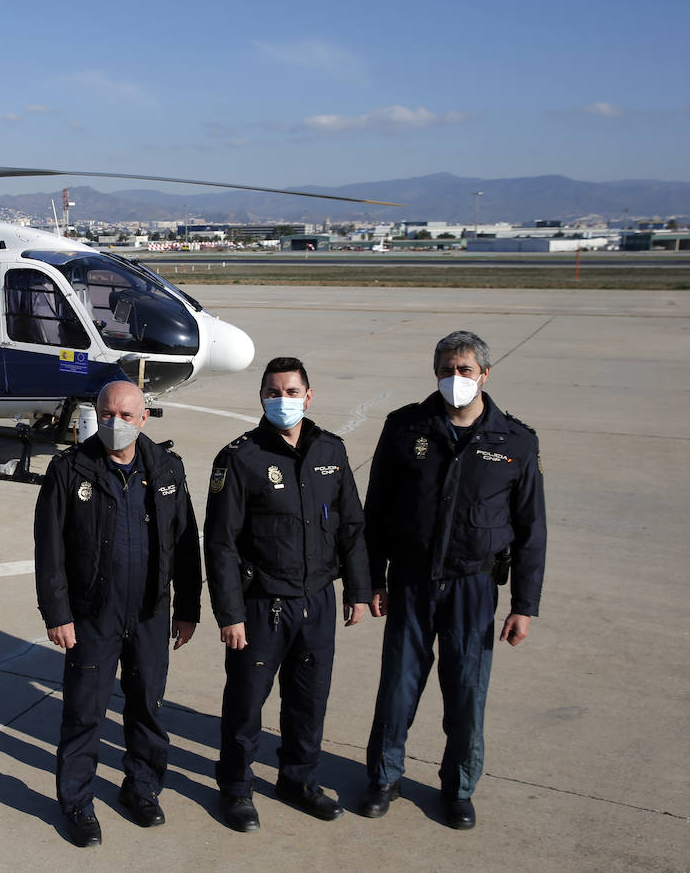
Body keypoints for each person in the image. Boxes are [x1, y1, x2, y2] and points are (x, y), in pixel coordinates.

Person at [360, 330, 546, 830]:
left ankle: (458, 788)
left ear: (485, 374)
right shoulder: (404, 427)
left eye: (464, 370)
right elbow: (376, 511)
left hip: (474, 586)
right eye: (445, 369)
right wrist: (371, 579)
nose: (454, 379)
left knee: (466, 691)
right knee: (398, 687)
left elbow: (532, 531)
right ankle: (383, 778)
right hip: (412, 581)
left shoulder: (516, 441)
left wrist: (524, 605)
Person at [203, 357, 371, 832]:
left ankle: (297, 780)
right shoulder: (239, 458)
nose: (283, 400)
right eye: (274, 392)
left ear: (309, 396)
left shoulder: (331, 451)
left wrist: (358, 590)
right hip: (262, 606)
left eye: (292, 391)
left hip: (317, 600)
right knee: (246, 705)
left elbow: (352, 527)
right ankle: (236, 788)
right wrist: (229, 613)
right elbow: (220, 544)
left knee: (309, 700)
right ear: (261, 397)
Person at [34, 379, 202, 847]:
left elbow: (187, 544)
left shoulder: (168, 468)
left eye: (127, 416)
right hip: (92, 614)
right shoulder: (70, 470)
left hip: (150, 612)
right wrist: (57, 612)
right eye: (108, 413)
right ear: (96, 413)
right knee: (85, 711)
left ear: (144, 419)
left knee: (147, 706)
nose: (116, 423)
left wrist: (188, 607)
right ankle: (77, 802)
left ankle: (141, 788)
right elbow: (49, 551)